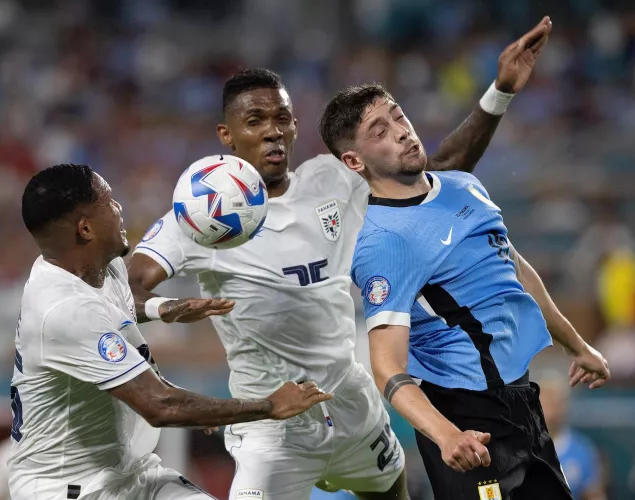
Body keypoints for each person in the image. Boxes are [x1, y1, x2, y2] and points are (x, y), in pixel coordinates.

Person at [128, 17, 554, 500]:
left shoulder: (329, 182)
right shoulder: (201, 215)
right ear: (226, 135)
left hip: (350, 402)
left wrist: (498, 92)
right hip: (272, 422)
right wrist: (165, 310)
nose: (273, 132)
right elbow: (125, 288)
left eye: (282, 118)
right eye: (255, 122)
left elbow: (429, 177)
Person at [317, 73, 611, 499]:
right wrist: (446, 434)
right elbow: (387, 366)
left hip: (523, 402)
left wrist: (577, 345)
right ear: (353, 162)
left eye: (398, 117)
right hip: (466, 418)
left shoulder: (464, 186)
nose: (401, 132)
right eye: (380, 132)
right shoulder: (384, 244)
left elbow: (516, 270)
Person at [9, 164, 330, 500]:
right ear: (86, 228)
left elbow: (112, 306)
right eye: (109, 202)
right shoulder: (62, 310)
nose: (119, 209)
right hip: (70, 490)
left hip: (132, 472)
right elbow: (159, 406)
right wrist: (267, 406)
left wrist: (163, 308)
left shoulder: (97, 266)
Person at [539, 375, 607, 500]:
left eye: (554, 402)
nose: (549, 409)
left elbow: (594, 494)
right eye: (545, 402)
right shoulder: (519, 447)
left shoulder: (583, 449)